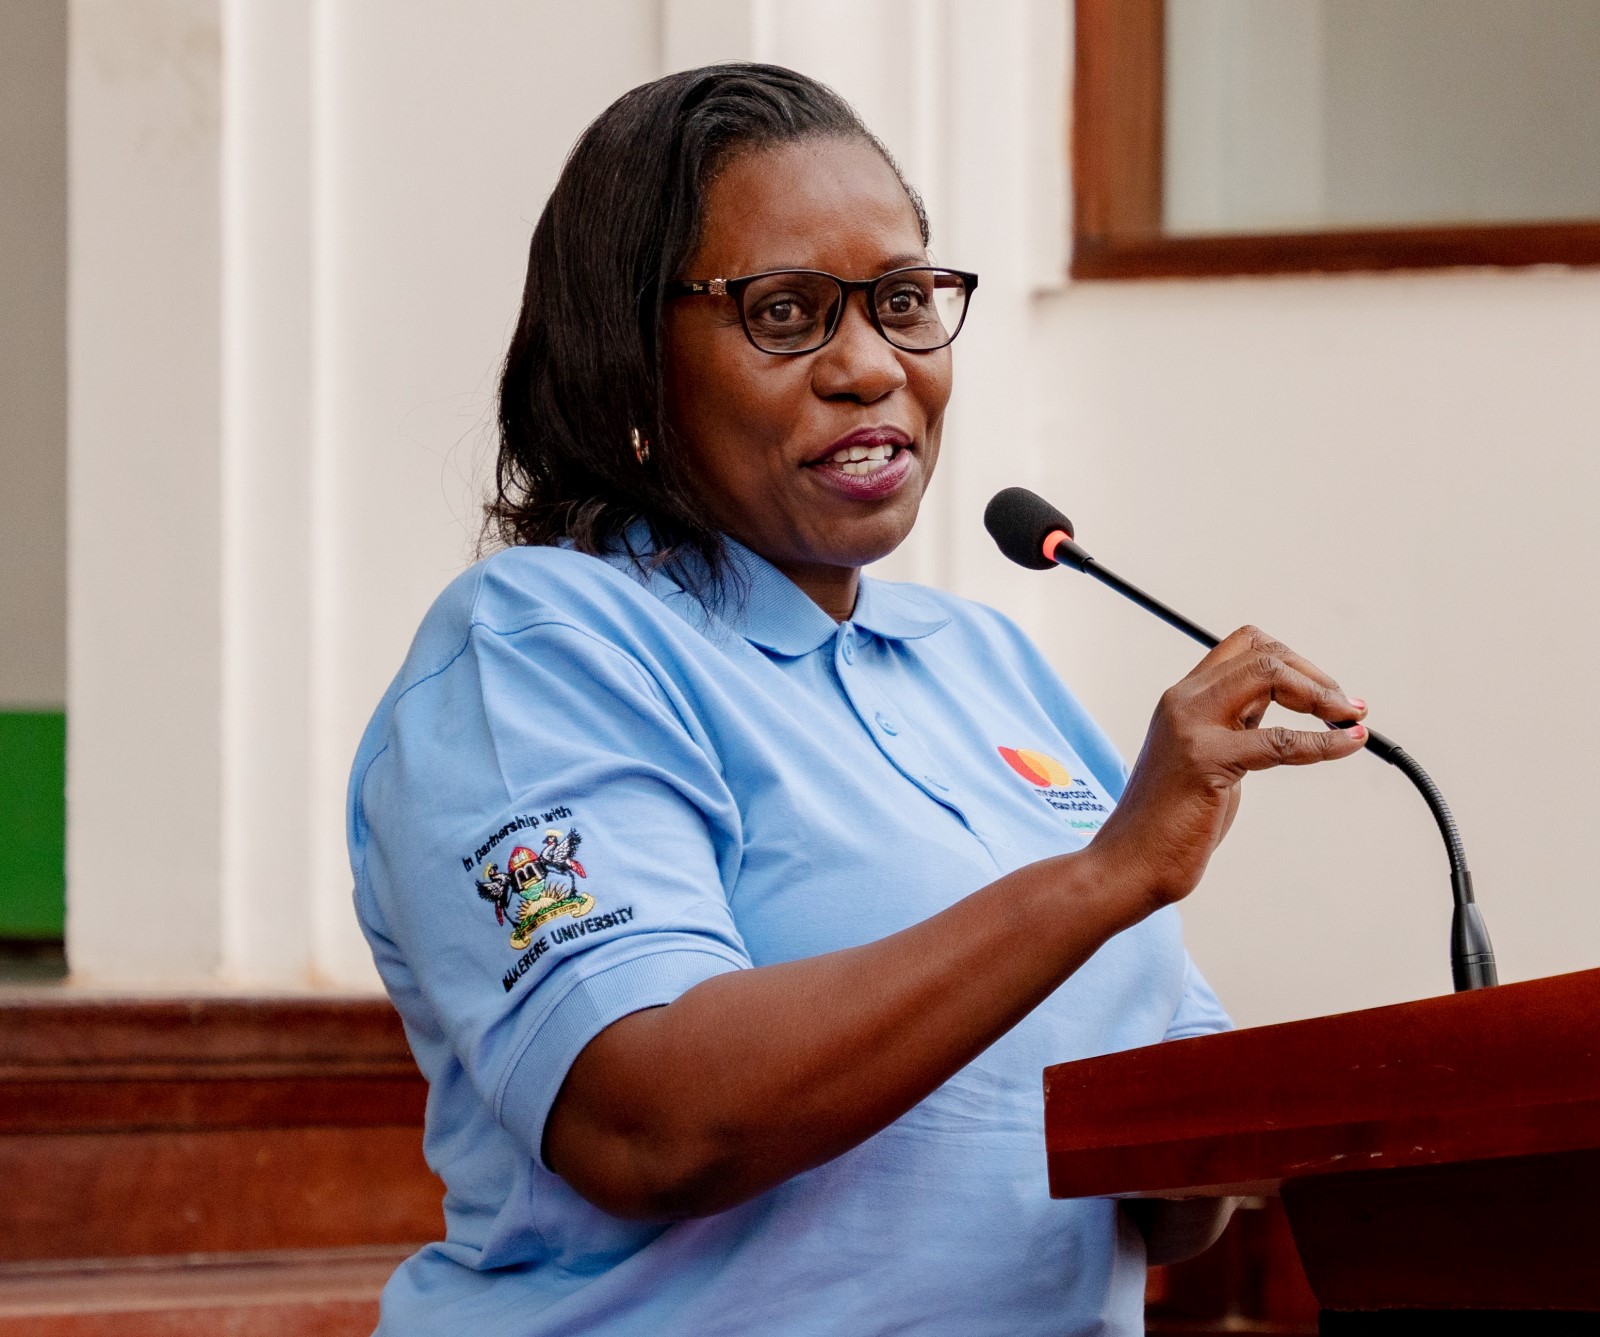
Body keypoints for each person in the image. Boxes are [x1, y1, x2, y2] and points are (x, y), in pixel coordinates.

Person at [347, 64, 1369, 1336]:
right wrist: (1101, 875)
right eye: (785, 313)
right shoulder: (540, 649)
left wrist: (1364, 1113)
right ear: (629, 359)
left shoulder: (984, 661)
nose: (870, 366)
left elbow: (1165, 1187)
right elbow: (651, 1121)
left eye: (901, 302)